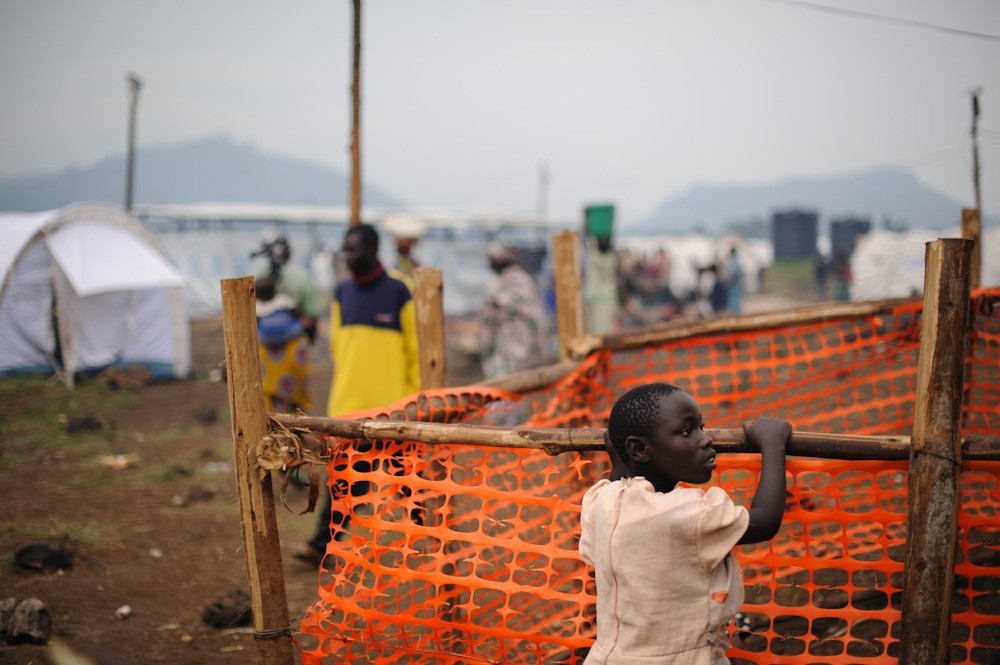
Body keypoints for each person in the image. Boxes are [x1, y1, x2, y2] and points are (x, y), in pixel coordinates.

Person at [579, 383, 790, 665]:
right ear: (639, 448)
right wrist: (773, 445)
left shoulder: (600, 501)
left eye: (702, 427)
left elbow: (619, 485)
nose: (706, 440)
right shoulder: (690, 513)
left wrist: (622, 461)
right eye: (687, 431)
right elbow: (765, 521)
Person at [298, 223, 421, 564]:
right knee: (345, 483)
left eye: (353, 249)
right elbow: (339, 348)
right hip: (349, 409)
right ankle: (322, 545)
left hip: (394, 410)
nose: (347, 255)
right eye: (345, 249)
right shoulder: (342, 292)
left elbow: (414, 351)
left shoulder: (400, 291)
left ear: (372, 249)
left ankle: (430, 540)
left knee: (409, 479)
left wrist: (413, 400)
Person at [253, 231, 322, 412]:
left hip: (266, 351)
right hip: (296, 349)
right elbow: (312, 318)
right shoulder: (302, 277)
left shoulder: (256, 279)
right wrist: (308, 342)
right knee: (298, 404)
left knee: (268, 401)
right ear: (289, 252)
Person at [478, 242, 551, 381]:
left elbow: (528, 312)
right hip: (508, 344)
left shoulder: (515, 281)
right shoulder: (509, 280)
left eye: (492, 259)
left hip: (516, 343)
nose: (490, 263)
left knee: (512, 382)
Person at [255, 275, 312, 413]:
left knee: (275, 388)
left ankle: (285, 414)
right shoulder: (284, 302)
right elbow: (305, 320)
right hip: (285, 353)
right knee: (286, 388)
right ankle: (295, 412)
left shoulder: (259, 308)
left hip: (275, 355)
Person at [584, 235, 619, 335]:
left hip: (594, 297)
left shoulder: (592, 257)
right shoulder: (612, 259)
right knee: (605, 331)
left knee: (594, 330)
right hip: (607, 297)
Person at [725, 247, 743, 314]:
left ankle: (735, 312)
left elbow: (733, 273)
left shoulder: (733, 262)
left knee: (734, 299)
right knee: (734, 298)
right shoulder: (735, 261)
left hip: (734, 284)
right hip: (734, 284)